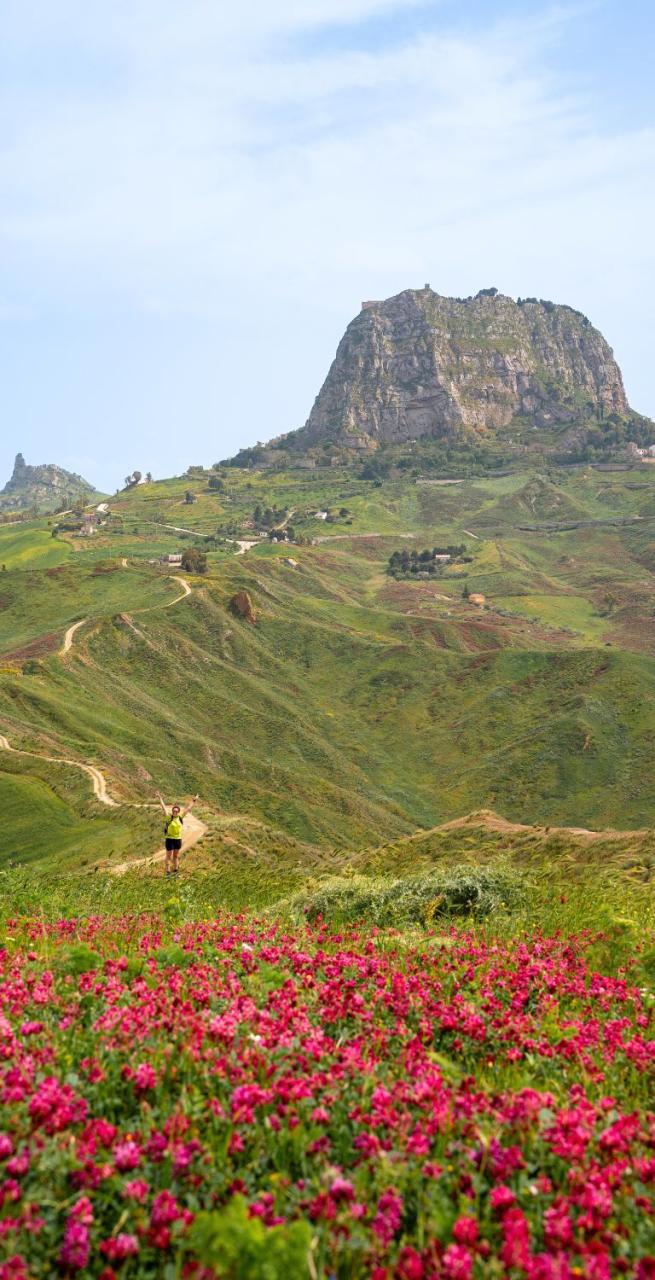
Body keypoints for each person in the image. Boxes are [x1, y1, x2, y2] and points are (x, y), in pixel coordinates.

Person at [156, 792, 199, 876]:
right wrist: (160, 798)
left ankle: (175, 872)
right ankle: (168, 873)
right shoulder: (169, 818)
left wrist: (194, 800)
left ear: (178, 812)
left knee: (175, 856)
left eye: (176, 811)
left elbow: (188, 808)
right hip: (169, 839)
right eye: (174, 810)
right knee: (168, 856)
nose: (175, 812)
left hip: (178, 839)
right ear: (172, 811)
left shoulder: (180, 817)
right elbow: (163, 808)